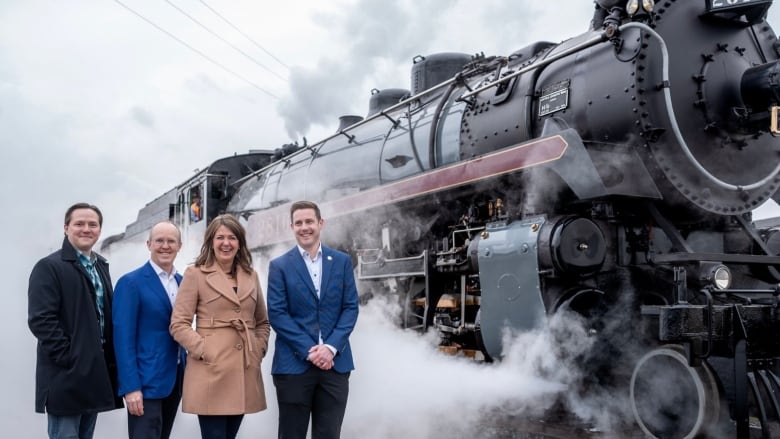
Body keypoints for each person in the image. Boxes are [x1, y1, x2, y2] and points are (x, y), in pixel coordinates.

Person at [170, 214, 270, 439]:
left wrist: (258, 350)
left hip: (244, 370)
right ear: (211, 242)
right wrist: (205, 350)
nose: (226, 243)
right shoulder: (195, 274)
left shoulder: (251, 275)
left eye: (232, 238)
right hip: (210, 371)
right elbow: (179, 324)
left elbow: (262, 322)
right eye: (220, 237)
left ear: (240, 243)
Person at [28, 202, 123, 439]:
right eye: (79, 223)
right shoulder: (49, 267)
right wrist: (71, 358)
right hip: (66, 376)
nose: (86, 229)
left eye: (92, 224)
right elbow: (41, 320)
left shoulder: (101, 265)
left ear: (99, 230)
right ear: (66, 228)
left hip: (94, 373)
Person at [268, 200, 360, 439]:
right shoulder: (279, 266)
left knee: (329, 435)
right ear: (292, 227)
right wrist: (310, 351)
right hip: (294, 366)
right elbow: (277, 313)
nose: (304, 227)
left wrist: (329, 348)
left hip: (335, 365)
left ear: (320, 223)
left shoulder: (341, 261)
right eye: (298, 223)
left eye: (309, 221)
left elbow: (350, 307)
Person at [113, 221, 185, 439]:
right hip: (145, 383)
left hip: (174, 380)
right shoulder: (130, 283)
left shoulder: (184, 282)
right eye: (159, 241)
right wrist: (131, 387)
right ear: (149, 244)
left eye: (171, 241)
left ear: (179, 245)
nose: (165, 246)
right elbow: (122, 339)